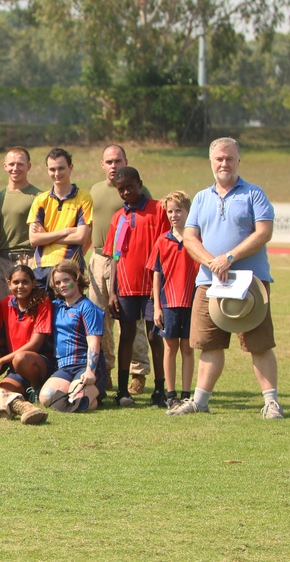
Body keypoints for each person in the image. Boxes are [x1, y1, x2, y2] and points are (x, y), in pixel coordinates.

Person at [169, 137, 281, 418]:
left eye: (230, 158)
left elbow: (264, 232)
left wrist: (228, 257)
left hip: (250, 284)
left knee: (259, 344)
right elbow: (190, 237)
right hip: (209, 283)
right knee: (209, 344)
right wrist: (211, 262)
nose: (224, 163)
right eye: (219, 158)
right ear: (211, 162)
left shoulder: (254, 194)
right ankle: (200, 401)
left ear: (238, 161)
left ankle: (270, 403)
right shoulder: (202, 198)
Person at [87, 144, 153, 394]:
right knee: (100, 320)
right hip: (99, 258)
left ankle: (138, 373)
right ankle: (107, 371)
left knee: (132, 321)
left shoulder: (138, 189)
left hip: (126, 263)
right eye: (109, 162)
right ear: (102, 165)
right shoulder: (95, 190)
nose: (113, 166)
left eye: (118, 161)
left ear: (126, 161)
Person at [103, 166, 167, 407]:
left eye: (130, 186)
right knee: (127, 335)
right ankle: (122, 391)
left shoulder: (158, 210)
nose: (126, 192)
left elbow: (164, 249)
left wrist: (158, 285)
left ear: (140, 184)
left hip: (153, 288)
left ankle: (160, 389)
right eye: (121, 189)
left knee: (154, 335)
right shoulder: (118, 217)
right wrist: (112, 292)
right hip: (126, 288)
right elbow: (115, 257)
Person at [146, 190, 197, 409]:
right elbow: (157, 275)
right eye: (170, 211)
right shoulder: (162, 241)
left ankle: (187, 393)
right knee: (170, 348)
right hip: (169, 303)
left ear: (188, 211)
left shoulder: (196, 240)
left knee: (188, 348)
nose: (174, 215)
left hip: (192, 302)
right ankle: (171, 394)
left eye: (179, 210)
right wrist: (157, 306)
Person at [39, 260, 108, 413]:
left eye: (66, 280)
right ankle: (78, 394)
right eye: (58, 282)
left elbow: (93, 342)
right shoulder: (56, 306)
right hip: (64, 366)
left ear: (76, 280)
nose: (62, 285)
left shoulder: (88, 307)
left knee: (74, 400)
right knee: (45, 397)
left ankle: (93, 394)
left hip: (86, 365)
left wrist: (90, 371)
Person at [28, 148, 92, 287]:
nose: (57, 173)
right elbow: (33, 240)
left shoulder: (84, 198)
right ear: (47, 170)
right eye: (52, 169)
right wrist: (65, 231)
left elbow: (80, 238)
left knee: (71, 309)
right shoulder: (40, 200)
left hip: (70, 269)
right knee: (42, 309)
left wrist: (45, 236)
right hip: (41, 269)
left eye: (61, 168)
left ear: (71, 168)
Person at [0, 265, 54, 399]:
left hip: (38, 362)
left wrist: (1, 361)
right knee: (1, 395)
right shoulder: (6, 302)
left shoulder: (43, 301)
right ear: (9, 284)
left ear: (34, 283)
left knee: (21, 358)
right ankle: (25, 389)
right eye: (16, 282)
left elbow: (35, 344)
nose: (20, 286)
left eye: (25, 282)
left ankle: (36, 388)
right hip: (16, 367)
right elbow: (1, 338)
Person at [0, 147, 42, 299]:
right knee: (6, 311)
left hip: (31, 259)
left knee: (32, 309)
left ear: (29, 166)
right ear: (5, 166)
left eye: (20, 164)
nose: (15, 168)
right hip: (4, 261)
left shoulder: (39, 197)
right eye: (11, 164)